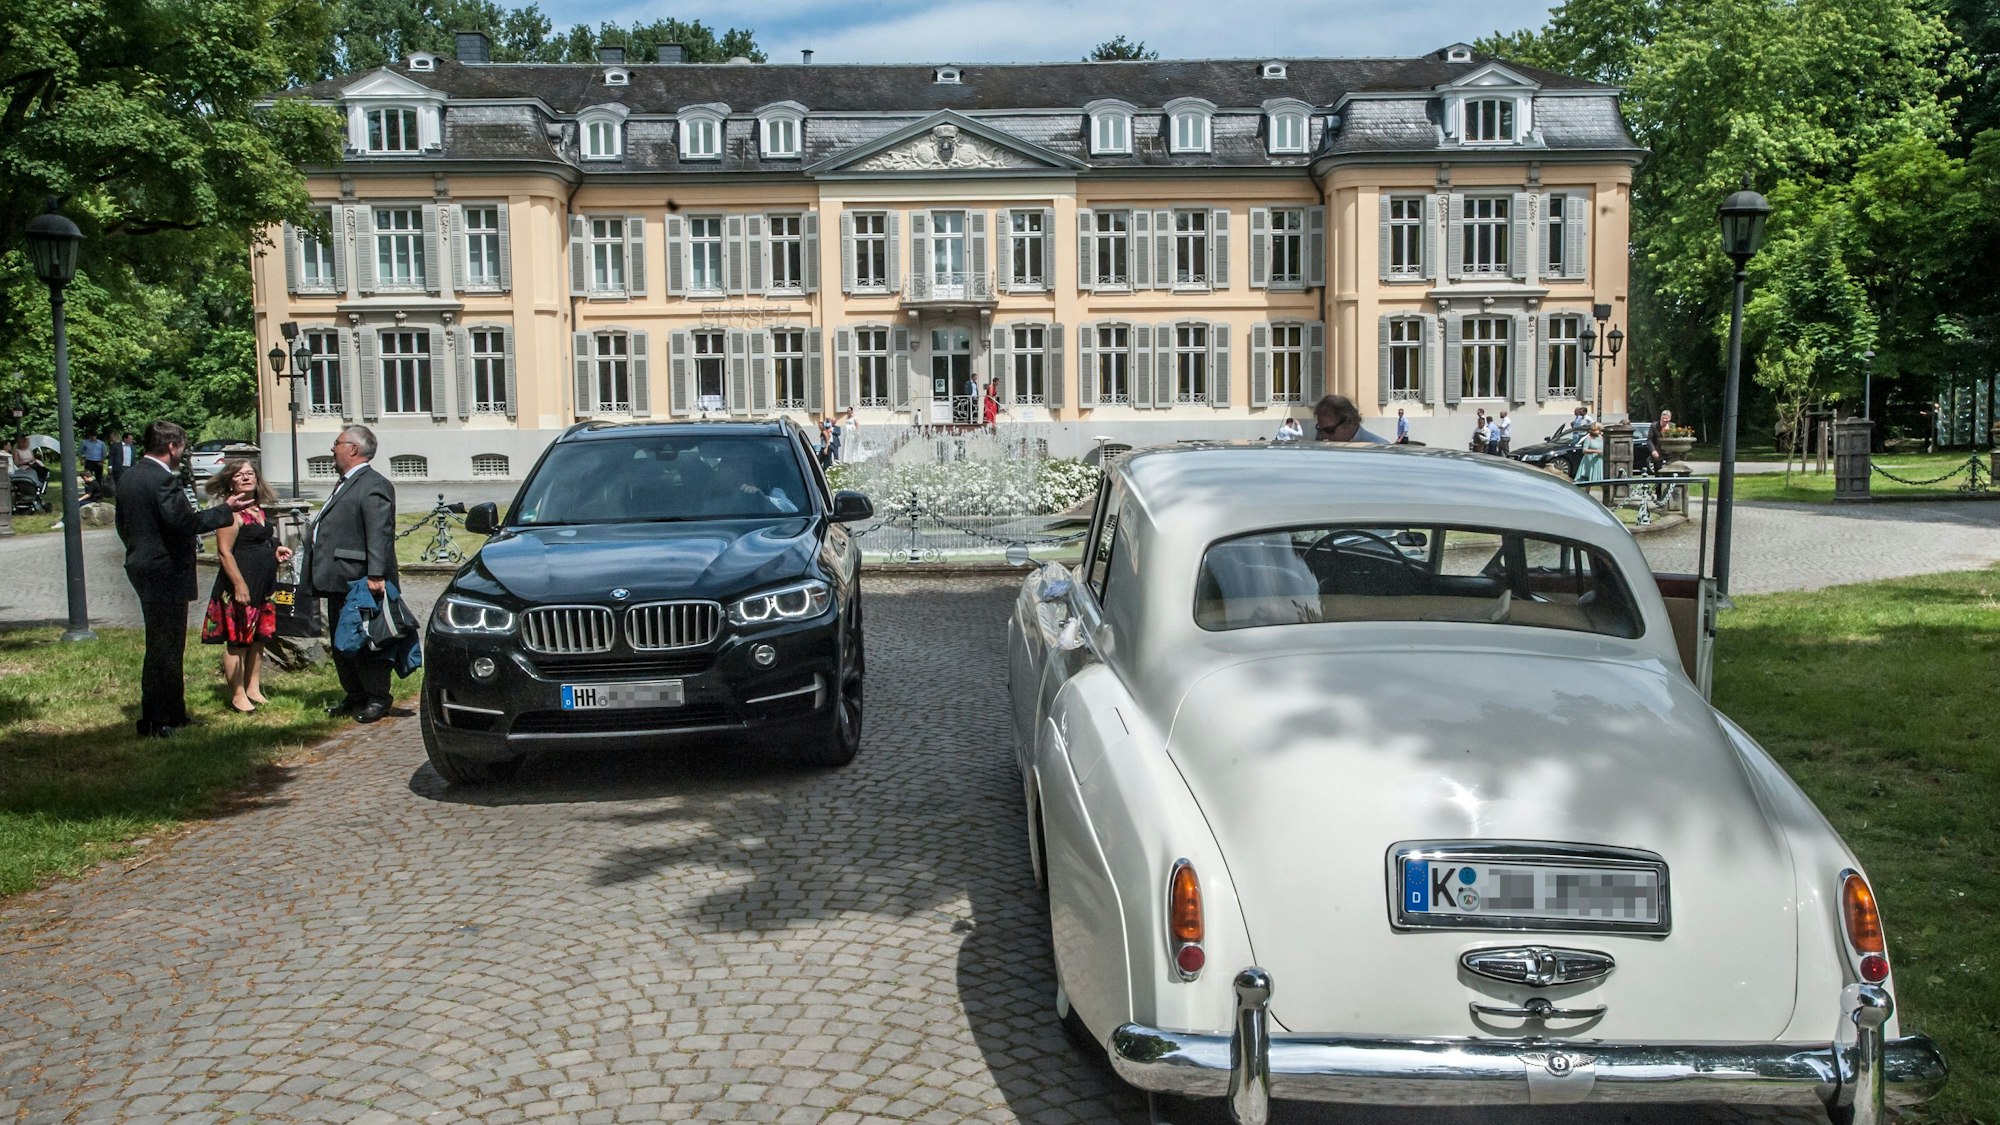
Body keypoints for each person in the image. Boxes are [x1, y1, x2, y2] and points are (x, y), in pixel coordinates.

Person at [114, 421, 255, 738]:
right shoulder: (162, 480)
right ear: (172, 447)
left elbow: (123, 525)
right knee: (164, 647)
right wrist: (224, 510)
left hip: (143, 565)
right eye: (183, 446)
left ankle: (174, 713)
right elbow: (183, 523)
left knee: (168, 645)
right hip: (164, 571)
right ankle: (155, 720)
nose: (183, 453)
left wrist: (140, 550)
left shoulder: (130, 477)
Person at [306, 425, 399, 724]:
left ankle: (377, 696)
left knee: (365, 640)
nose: (332, 449)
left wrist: (376, 573)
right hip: (338, 578)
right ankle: (355, 693)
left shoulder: (372, 484)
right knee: (341, 640)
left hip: (360, 579)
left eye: (337, 443)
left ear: (353, 449)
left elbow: (379, 532)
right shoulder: (345, 482)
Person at [200, 458, 292, 713]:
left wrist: (276, 550)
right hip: (240, 586)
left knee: (258, 639)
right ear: (230, 480)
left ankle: (253, 687)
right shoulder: (229, 513)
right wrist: (239, 585)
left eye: (250, 473)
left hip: (263, 584)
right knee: (238, 641)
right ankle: (238, 694)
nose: (246, 477)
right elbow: (224, 553)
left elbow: (259, 541)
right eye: (240, 474)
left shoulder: (256, 509)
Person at [1312, 395, 1391, 444]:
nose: (1323, 436)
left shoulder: (1379, 448)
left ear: (1350, 423)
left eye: (1329, 430)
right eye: (1319, 430)